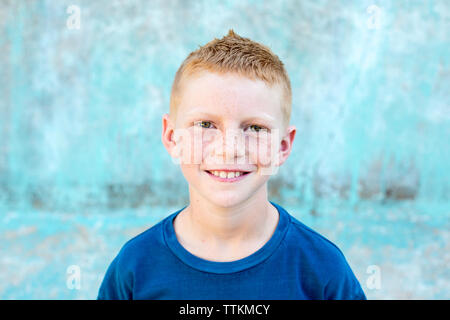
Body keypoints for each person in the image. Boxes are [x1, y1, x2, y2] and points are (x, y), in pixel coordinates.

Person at [97, 29, 366, 300]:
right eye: (205, 125)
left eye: (255, 128)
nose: (230, 149)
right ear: (171, 137)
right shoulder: (134, 268)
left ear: (283, 146)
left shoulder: (323, 272)